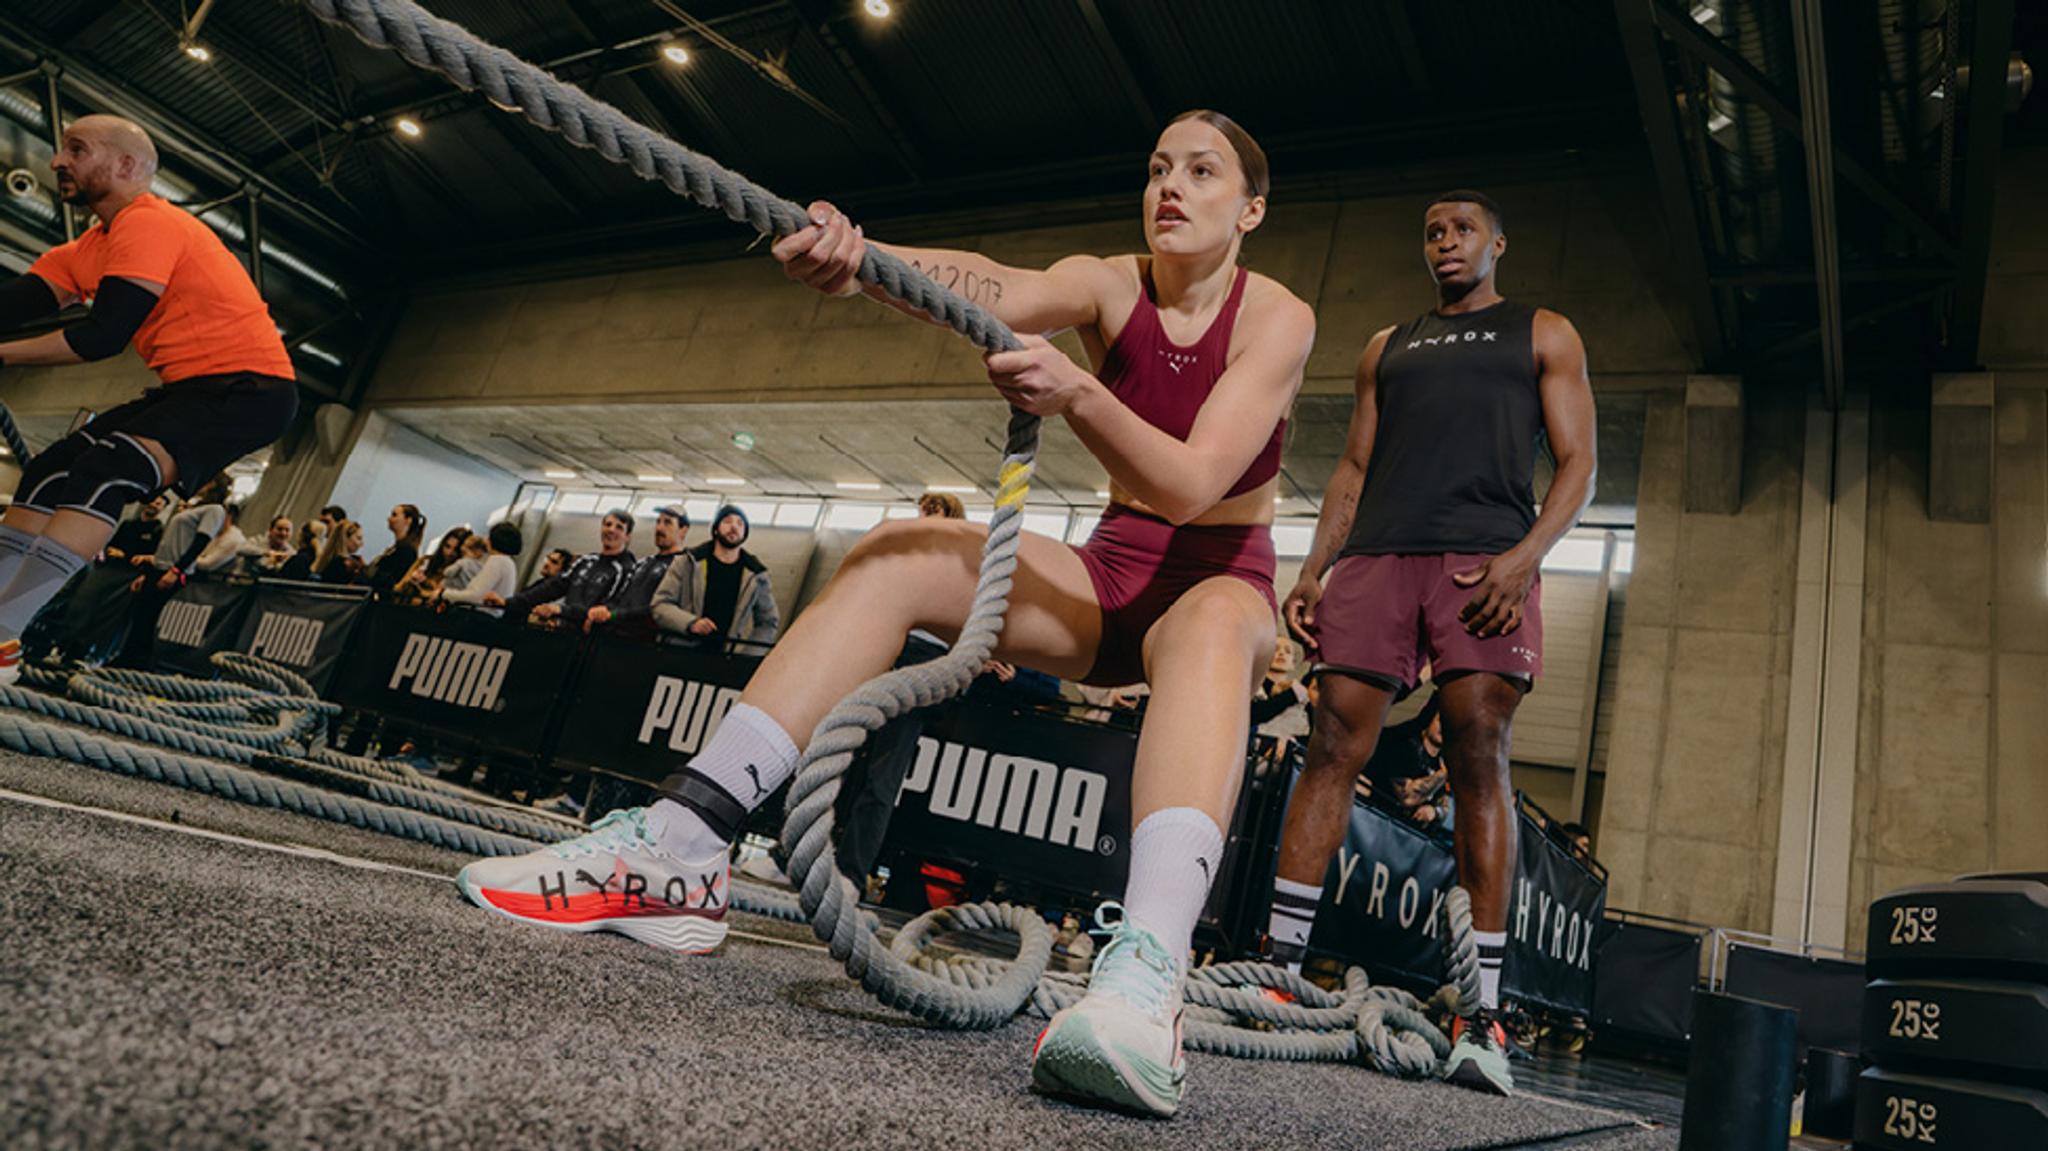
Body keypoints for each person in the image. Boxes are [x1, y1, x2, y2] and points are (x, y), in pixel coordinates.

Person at [457, 109, 1313, 1119]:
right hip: (1106, 577)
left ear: (1249, 208)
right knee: (897, 550)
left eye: (1202, 172)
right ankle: (684, 846)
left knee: (1214, 625)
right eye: (1158, 166)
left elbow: (1189, 483)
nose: (1169, 185)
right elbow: (996, 286)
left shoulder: (1276, 317)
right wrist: (862, 257)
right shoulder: (1108, 278)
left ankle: (1144, 981)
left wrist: (1077, 394)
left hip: (1214, 579)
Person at [1271, 190, 1596, 1096]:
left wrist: (1524, 561)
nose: (1445, 242)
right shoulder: (1388, 345)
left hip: (1480, 558)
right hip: (1377, 554)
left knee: (1478, 758)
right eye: (1431, 232)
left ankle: (1481, 1011)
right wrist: (1312, 568)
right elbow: (1354, 464)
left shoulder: (1544, 332)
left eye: (1461, 230)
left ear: (1498, 240)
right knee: (1331, 742)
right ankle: (1281, 968)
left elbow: (1579, 463)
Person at [0, 114, 297, 681]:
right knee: (50, 471)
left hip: (249, 390)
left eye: (76, 150)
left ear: (127, 165)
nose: (58, 161)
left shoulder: (149, 224)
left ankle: (3, 635)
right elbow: (19, 302)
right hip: (191, 386)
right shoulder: (90, 246)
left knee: (107, 471)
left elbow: (102, 336)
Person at [649, 505, 780, 646]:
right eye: (728, 521)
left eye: (740, 523)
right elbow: (660, 604)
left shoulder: (756, 574)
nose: (734, 527)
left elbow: (768, 622)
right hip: (679, 651)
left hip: (724, 659)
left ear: (745, 533)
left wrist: (750, 654)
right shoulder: (687, 562)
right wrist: (690, 623)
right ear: (716, 529)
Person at [490, 509, 634, 628]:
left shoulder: (626, 570)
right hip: (561, 632)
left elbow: (606, 609)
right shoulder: (585, 561)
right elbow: (551, 587)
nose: (611, 530)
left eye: (619, 527)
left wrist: (561, 611)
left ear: (627, 537)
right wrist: (508, 602)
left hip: (589, 642)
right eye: (607, 524)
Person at [588, 505, 688, 638]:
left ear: (683, 530)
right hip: (612, 636)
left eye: (667, 523)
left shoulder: (683, 566)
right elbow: (620, 596)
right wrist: (601, 611)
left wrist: (615, 615)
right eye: (658, 522)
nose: (659, 528)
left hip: (643, 643)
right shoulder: (643, 563)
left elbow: (662, 609)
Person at [436, 522, 522, 616]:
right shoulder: (509, 563)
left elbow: (476, 596)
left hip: (479, 617)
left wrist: (444, 593)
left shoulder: (497, 561)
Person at [393, 525, 469, 605]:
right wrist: (411, 580)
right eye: (447, 546)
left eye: (456, 550)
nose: (449, 553)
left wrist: (425, 583)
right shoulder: (425, 561)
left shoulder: (462, 572)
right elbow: (398, 588)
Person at [363, 504, 424, 598]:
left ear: (408, 520)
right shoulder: (396, 548)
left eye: (394, 515)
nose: (389, 519)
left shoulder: (407, 552)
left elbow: (393, 579)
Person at [310, 518, 365, 585]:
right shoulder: (343, 565)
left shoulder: (329, 560)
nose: (361, 544)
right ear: (345, 538)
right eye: (358, 538)